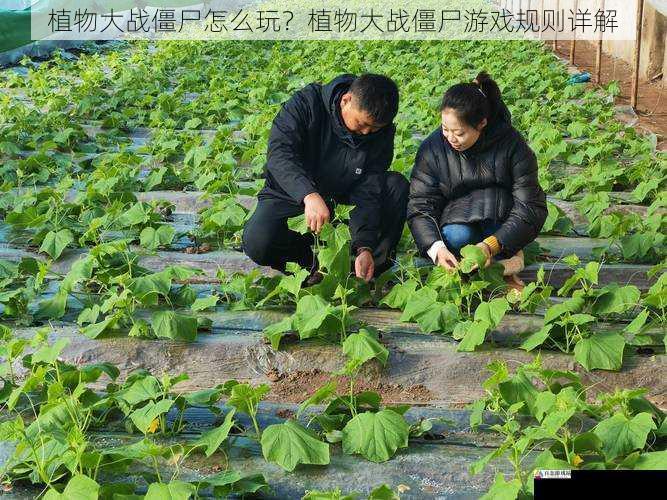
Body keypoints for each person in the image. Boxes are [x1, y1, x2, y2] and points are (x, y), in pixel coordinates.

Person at [243, 73, 409, 283]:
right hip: (292, 195)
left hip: (343, 201)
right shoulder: (306, 104)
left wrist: (364, 246)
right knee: (258, 241)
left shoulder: (380, 133)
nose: (367, 133)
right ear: (345, 100)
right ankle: (310, 266)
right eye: (361, 124)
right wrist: (308, 194)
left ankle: (367, 270)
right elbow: (280, 155)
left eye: (374, 129)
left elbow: (368, 188)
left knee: (396, 186)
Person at [407, 71, 547, 291]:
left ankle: (504, 263)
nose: (451, 138)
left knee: (501, 233)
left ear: (481, 124)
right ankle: (499, 265)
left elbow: (530, 207)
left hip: (501, 215)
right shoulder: (433, 148)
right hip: (457, 214)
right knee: (457, 236)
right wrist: (436, 249)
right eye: (445, 129)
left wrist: (491, 245)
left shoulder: (513, 146)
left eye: (459, 133)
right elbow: (420, 204)